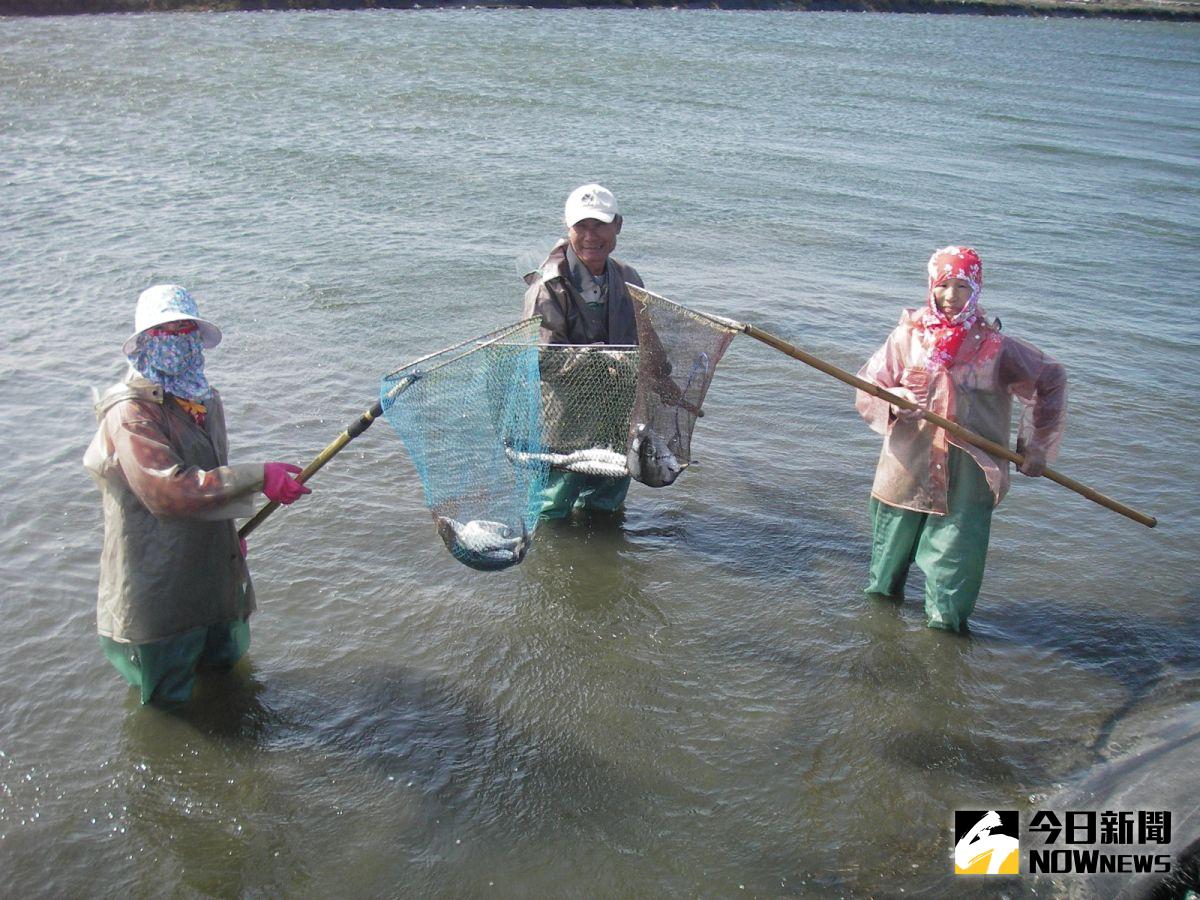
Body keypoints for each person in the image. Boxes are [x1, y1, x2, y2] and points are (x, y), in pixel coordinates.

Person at [84, 284, 312, 704]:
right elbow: (168, 492)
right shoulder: (130, 413)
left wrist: (229, 535)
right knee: (167, 700)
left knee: (228, 677)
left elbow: (209, 480)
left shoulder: (202, 400)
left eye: (186, 329)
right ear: (144, 342)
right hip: (159, 588)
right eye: (166, 331)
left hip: (212, 572)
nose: (178, 340)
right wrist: (259, 477)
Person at [855, 246, 1067, 633]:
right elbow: (869, 385)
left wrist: (1034, 446)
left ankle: (943, 649)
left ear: (976, 290)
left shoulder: (997, 349)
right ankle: (878, 639)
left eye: (962, 286)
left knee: (951, 584)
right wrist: (895, 400)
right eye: (944, 285)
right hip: (904, 471)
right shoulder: (907, 337)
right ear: (932, 286)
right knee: (883, 582)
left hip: (968, 479)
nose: (951, 296)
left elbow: (1050, 379)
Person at [522, 183, 645, 518]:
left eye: (600, 225)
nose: (591, 236)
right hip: (566, 421)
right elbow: (543, 359)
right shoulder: (548, 286)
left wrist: (665, 380)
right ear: (568, 228)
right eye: (582, 226)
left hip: (618, 414)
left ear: (617, 225)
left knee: (608, 501)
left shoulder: (628, 278)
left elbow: (648, 339)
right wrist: (603, 356)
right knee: (553, 507)